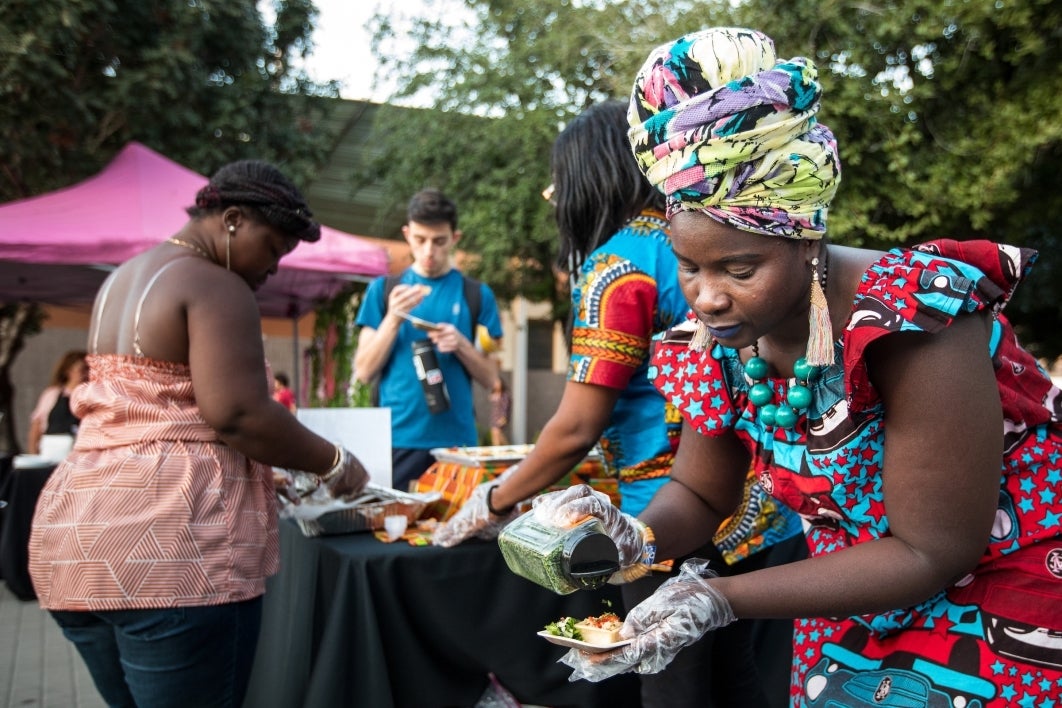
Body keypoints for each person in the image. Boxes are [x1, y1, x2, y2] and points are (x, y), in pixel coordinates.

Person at [534, 27, 1062, 707]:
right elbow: (700, 494)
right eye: (690, 268)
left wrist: (716, 599)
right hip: (854, 596)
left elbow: (933, 550)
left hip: (1000, 601)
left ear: (806, 238)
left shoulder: (915, 320)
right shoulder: (718, 339)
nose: (708, 297)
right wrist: (633, 535)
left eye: (739, 268)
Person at [433, 100, 804, 708]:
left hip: (665, 519)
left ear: (592, 172)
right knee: (741, 687)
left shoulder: (616, 268)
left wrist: (491, 502)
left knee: (672, 692)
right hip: (760, 509)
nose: (554, 192)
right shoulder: (705, 241)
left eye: (561, 175)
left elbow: (577, 426)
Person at [27, 159, 370, 708]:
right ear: (232, 219)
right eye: (274, 247)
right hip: (169, 555)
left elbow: (156, 410)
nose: (275, 268)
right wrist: (333, 460)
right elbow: (237, 414)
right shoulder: (217, 284)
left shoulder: (122, 277)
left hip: (76, 544)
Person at [354, 188, 503, 490]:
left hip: (457, 444)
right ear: (407, 234)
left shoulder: (476, 295)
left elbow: (492, 380)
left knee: (458, 535)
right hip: (397, 440)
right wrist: (393, 318)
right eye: (420, 240)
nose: (428, 252)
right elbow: (363, 371)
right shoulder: (383, 291)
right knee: (393, 531)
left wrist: (461, 344)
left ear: (455, 238)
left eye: (439, 241)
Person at [26, 349, 88, 459]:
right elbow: (37, 425)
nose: (87, 374)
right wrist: (33, 454)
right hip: (52, 450)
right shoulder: (52, 394)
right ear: (69, 371)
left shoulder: (91, 396)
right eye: (83, 370)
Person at [488, 375, 511, 446]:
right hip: (495, 416)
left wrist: (504, 417)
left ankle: (497, 449)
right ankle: (506, 448)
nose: (496, 384)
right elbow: (491, 399)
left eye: (497, 382)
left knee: (496, 431)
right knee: (496, 433)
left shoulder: (504, 395)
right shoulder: (495, 394)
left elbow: (505, 407)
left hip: (501, 416)